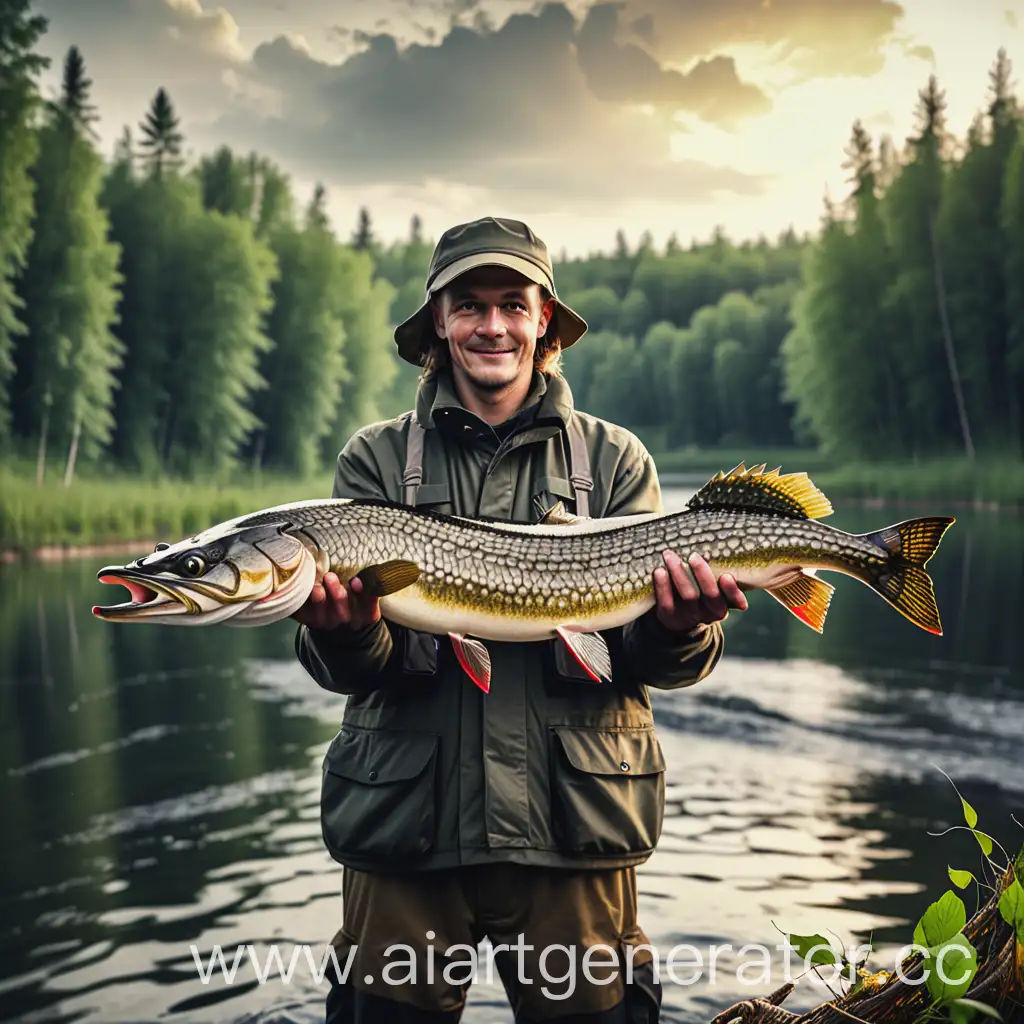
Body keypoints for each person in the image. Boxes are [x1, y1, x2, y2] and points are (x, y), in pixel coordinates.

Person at [292, 216, 747, 1023]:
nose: (492, 325)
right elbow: (352, 672)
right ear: (439, 319)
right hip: (407, 831)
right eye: (469, 305)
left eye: (512, 303)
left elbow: (651, 663)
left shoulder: (613, 459)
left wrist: (683, 625)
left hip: (573, 831)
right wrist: (340, 628)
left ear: (544, 319)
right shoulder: (373, 459)